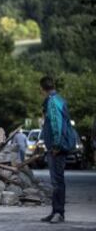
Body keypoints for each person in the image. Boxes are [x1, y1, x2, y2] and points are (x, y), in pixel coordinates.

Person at [39, 76, 75, 224]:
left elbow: (56, 125)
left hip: (57, 148)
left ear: (42, 89)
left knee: (57, 181)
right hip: (58, 146)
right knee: (56, 181)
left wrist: (56, 146)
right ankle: (55, 211)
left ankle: (59, 213)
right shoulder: (59, 99)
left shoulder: (52, 102)